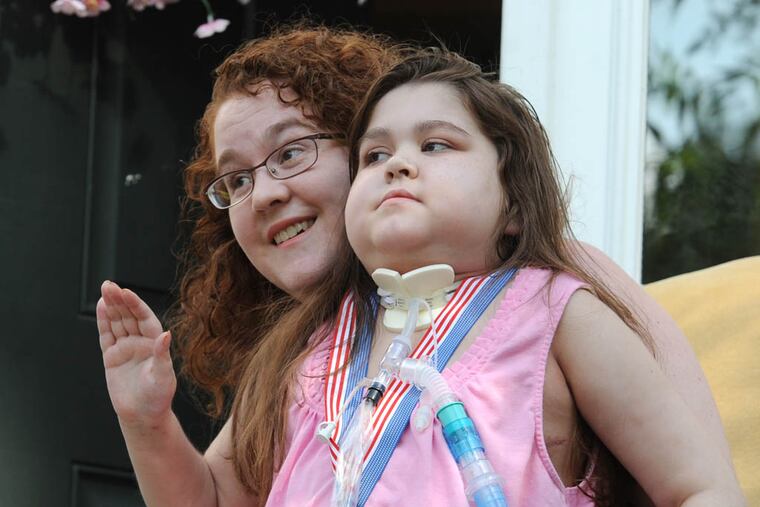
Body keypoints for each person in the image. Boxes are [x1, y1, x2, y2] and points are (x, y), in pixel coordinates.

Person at [96, 25, 735, 506]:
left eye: (291, 153)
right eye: (235, 180)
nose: (262, 192)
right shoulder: (302, 359)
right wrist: (146, 419)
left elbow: (700, 481)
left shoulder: (554, 294)